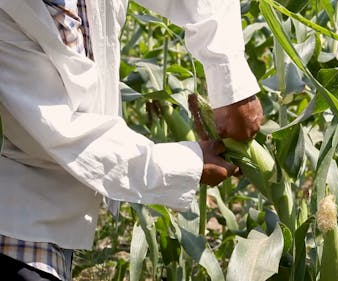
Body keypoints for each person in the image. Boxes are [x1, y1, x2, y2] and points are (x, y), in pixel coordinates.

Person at [0, 0, 263, 280]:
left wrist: (231, 83)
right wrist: (189, 163)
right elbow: (64, 132)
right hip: (17, 213)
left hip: (63, 212)